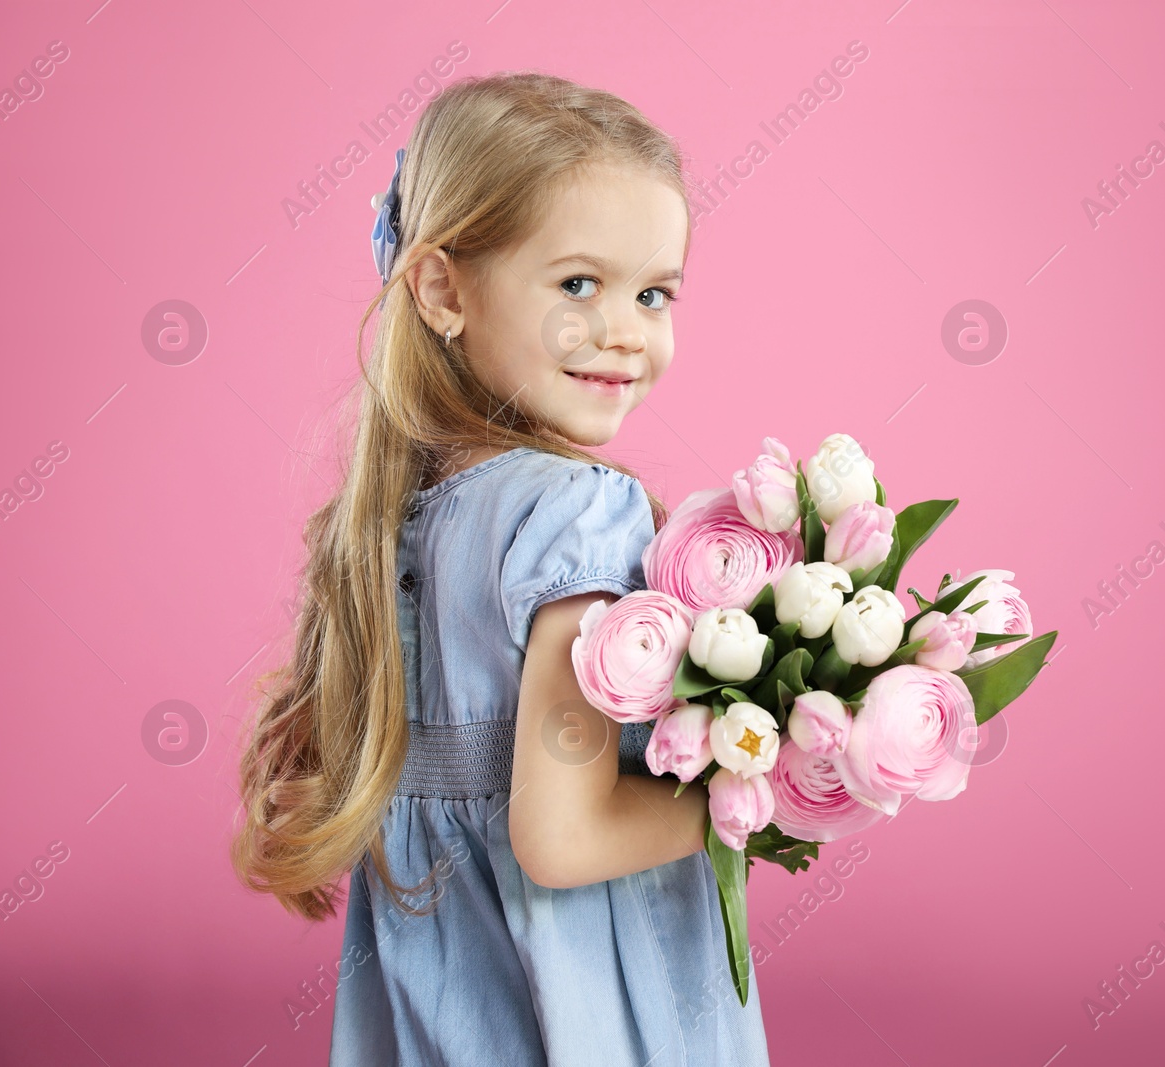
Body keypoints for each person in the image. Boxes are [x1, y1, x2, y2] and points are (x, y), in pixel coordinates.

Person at [229, 70, 771, 1066]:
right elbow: (562, 837)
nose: (623, 329)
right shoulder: (575, 508)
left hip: (451, 976)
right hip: (578, 990)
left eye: (653, 292)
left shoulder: (405, 510)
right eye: (578, 283)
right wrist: (748, 788)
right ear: (442, 288)